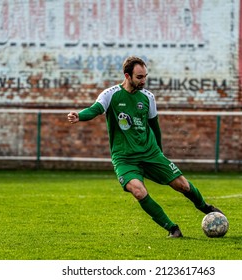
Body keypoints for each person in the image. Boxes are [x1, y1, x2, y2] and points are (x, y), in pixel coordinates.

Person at [68, 56, 223, 238]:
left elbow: (154, 126)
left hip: (150, 153)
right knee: (138, 191)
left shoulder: (148, 98)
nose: (143, 81)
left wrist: (159, 152)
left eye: (145, 76)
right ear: (127, 76)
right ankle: (173, 229)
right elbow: (95, 109)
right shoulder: (110, 94)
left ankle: (206, 208)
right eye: (139, 77)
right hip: (124, 158)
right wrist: (79, 116)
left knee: (182, 185)